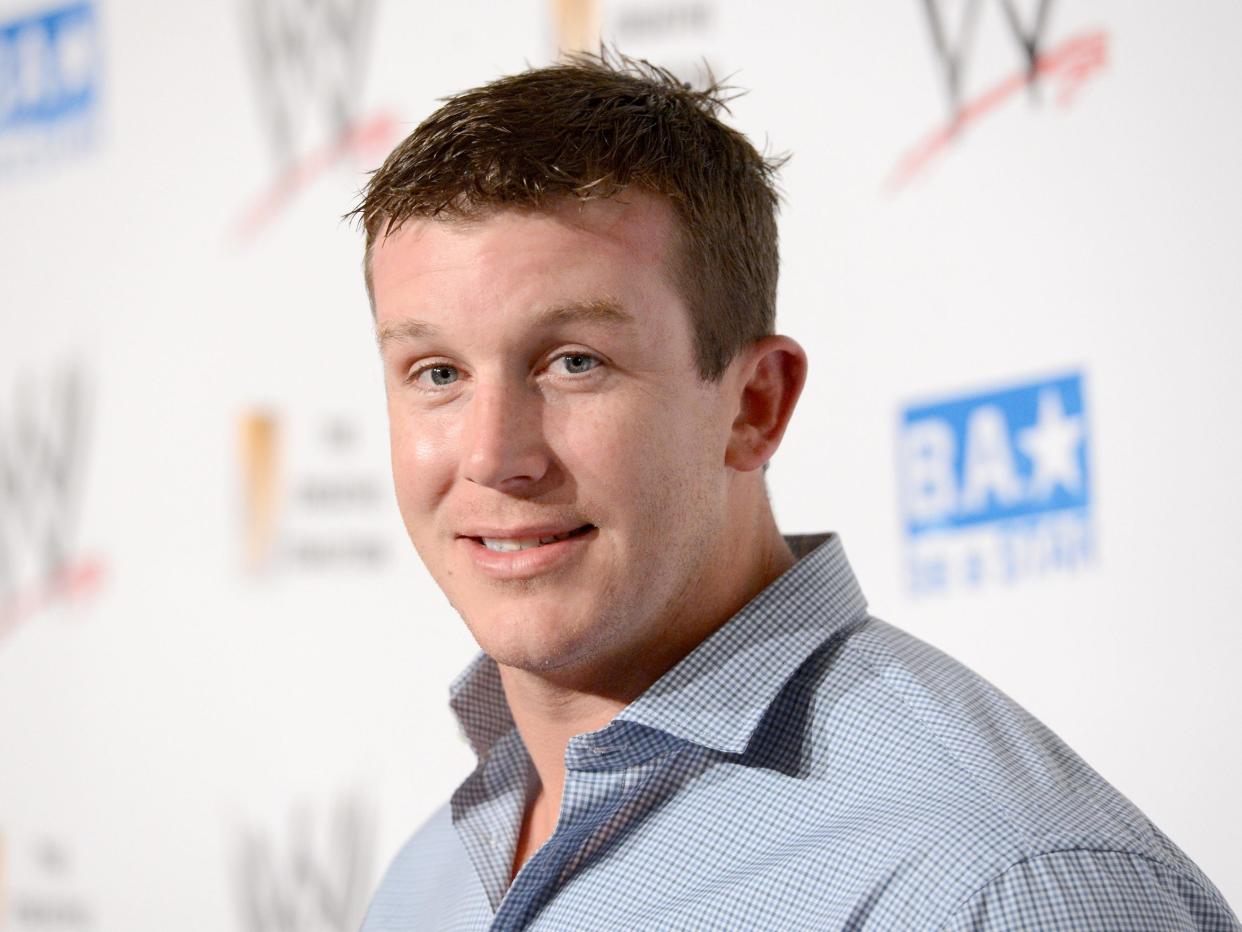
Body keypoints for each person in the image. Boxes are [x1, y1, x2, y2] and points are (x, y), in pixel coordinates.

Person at [352, 54, 1238, 931]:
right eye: (436, 372)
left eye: (576, 362)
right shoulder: (432, 879)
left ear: (754, 405)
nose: (493, 455)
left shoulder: (1000, 887)